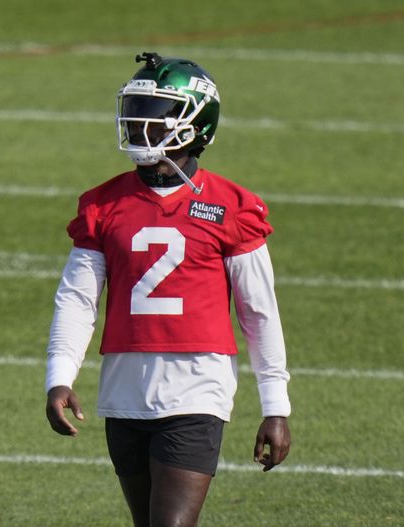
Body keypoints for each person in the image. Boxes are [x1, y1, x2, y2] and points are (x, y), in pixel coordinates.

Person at [44, 52, 291, 527]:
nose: (140, 124)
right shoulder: (102, 203)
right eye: (137, 111)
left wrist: (275, 406)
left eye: (156, 115)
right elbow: (77, 299)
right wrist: (59, 375)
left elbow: (259, 313)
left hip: (198, 386)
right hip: (123, 389)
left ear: (197, 122)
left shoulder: (232, 206)